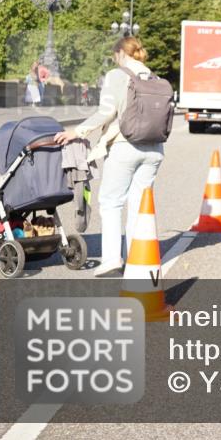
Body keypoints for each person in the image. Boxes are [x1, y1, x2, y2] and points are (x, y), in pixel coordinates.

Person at [54, 37, 166, 277]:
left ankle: (112, 260)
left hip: (125, 146)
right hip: (155, 148)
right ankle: (137, 257)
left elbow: (106, 112)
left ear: (118, 53)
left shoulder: (117, 75)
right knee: (139, 206)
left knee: (111, 202)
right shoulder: (153, 77)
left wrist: (77, 131)